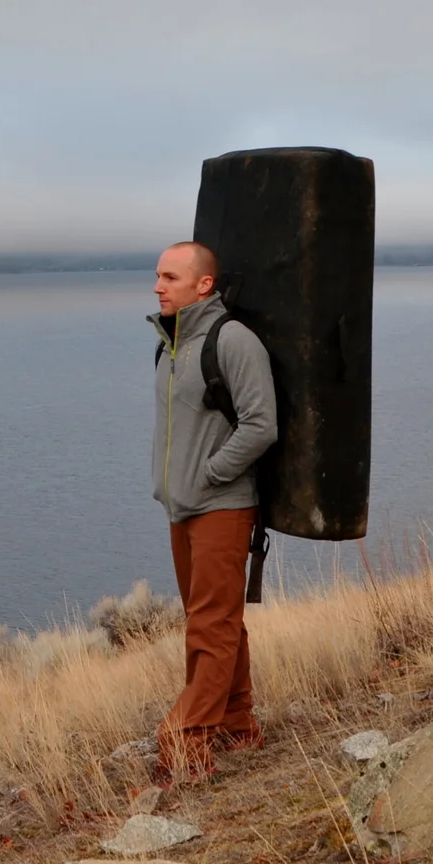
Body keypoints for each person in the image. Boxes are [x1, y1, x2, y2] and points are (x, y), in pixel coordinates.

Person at [149, 240, 277, 783]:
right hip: (182, 507)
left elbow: (261, 424)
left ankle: (186, 740)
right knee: (216, 622)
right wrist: (176, 484)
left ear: (204, 285)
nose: (158, 286)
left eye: (170, 278)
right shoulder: (172, 343)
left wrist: (212, 474)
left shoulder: (233, 341)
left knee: (211, 625)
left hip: (222, 505)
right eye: (158, 276)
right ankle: (236, 722)